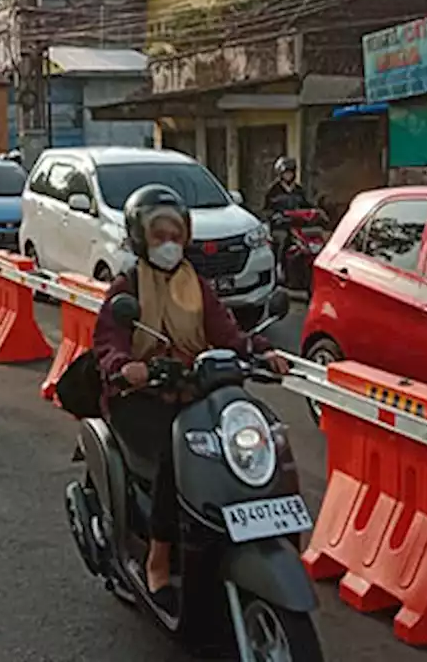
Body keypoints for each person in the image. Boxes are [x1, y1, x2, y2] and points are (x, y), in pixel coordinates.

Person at [92, 184, 289, 614]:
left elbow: (228, 334)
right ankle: (158, 558)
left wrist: (262, 352)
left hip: (193, 392)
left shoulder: (196, 285)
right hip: (140, 396)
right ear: (141, 239)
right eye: (159, 236)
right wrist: (125, 366)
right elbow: (108, 343)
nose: (169, 245)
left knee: (258, 433)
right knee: (172, 454)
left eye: (175, 235)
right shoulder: (128, 287)